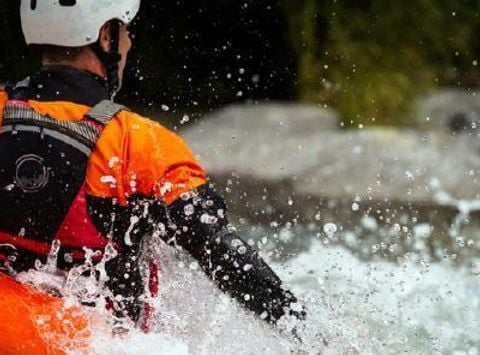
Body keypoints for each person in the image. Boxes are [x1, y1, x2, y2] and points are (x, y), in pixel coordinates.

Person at [0, 0, 305, 334]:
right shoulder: (140, 143)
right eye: (126, 29)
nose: (129, 40)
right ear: (106, 37)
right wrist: (300, 327)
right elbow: (222, 251)